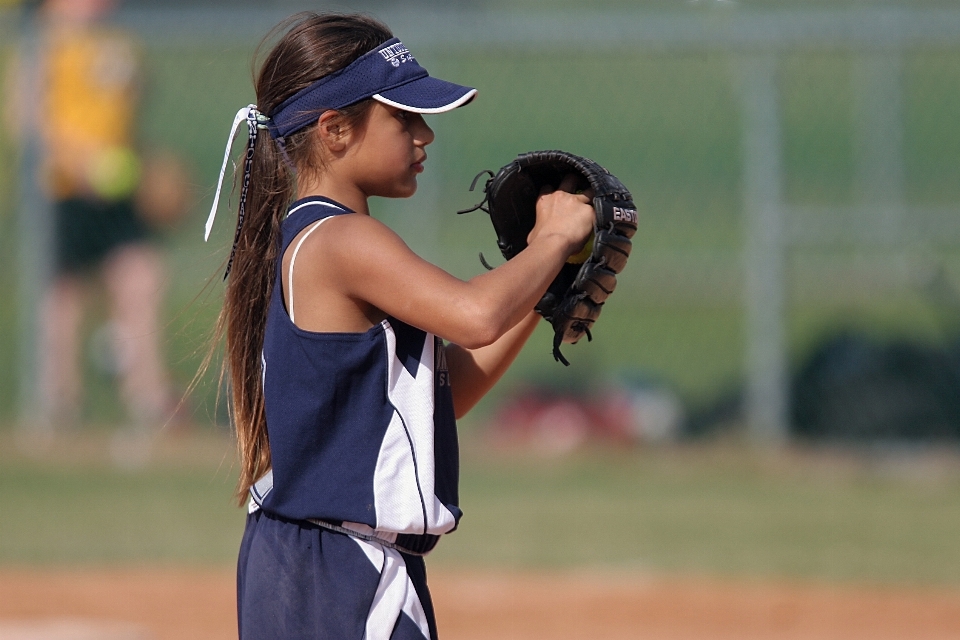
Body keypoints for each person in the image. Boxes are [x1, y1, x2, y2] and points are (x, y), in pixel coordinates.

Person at [204, 12, 594, 639]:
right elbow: (474, 315)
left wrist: (544, 285)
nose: (424, 136)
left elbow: (451, 389)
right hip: (337, 574)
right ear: (334, 130)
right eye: (403, 117)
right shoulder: (340, 239)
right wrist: (550, 242)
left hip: (335, 565)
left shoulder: (329, 237)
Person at [24, 0, 176, 459]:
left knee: (141, 278)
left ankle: (148, 400)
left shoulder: (117, 43)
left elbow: (128, 115)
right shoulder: (41, 43)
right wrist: (82, 160)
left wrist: (143, 166)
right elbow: (29, 122)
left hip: (116, 190)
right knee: (63, 299)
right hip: (62, 190)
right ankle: (58, 405)